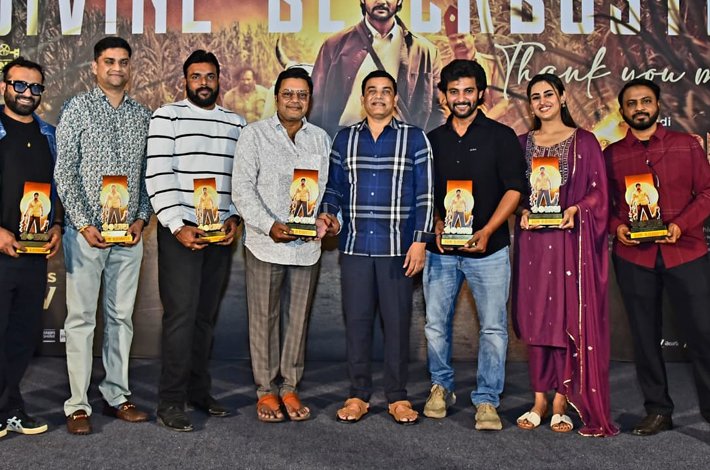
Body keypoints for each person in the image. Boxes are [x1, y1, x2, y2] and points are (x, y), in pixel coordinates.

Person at [319, 70, 433, 425]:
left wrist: (420, 242)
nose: (379, 96)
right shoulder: (345, 139)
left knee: (397, 325)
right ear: (363, 98)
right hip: (355, 247)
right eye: (372, 91)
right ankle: (358, 394)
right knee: (357, 323)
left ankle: (397, 397)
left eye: (386, 91)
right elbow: (334, 188)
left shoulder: (414, 139)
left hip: (398, 249)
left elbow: (426, 195)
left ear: (395, 99)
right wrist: (328, 216)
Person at [54, 37, 152, 435]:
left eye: (123, 62)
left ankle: (117, 394)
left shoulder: (143, 116)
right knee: (80, 319)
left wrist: (141, 219)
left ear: (130, 68)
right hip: (86, 234)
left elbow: (148, 175)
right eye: (109, 61)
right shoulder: (76, 108)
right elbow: (64, 171)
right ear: (95, 66)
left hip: (128, 236)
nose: (117, 68)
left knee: (121, 318)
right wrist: (82, 223)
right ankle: (78, 405)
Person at [512, 73, 619, 436]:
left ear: (561, 97)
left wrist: (576, 209)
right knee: (536, 320)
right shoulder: (522, 143)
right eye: (535, 96)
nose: (542, 101)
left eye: (548, 94)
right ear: (530, 104)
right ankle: (539, 399)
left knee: (562, 318)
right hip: (533, 244)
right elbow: (514, 191)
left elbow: (599, 194)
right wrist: (521, 211)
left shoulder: (584, 141)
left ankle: (561, 400)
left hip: (569, 244)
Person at [422, 60, 525, 430]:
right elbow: (425, 192)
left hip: (490, 250)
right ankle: (441, 386)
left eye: (468, 90)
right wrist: (436, 221)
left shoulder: (502, 136)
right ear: (444, 96)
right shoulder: (432, 140)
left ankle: (487, 399)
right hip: (441, 252)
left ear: (481, 93)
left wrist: (487, 230)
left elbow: (515, 189)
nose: (461, 98)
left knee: (493, 328)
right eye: (454, 91)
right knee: (435, 324)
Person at [146, 50, 245, 432]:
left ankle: (198, 391)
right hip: (182, 232)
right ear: (184, 81)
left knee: (205, 317)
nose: (203, 83)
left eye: (209, 76)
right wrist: (176, 225)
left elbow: (240, 178)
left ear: (219, 79)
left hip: (220, 233)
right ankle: (170, 401)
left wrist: (234, 217)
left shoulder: (236, 123)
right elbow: (157, 174)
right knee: (181, 317)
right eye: (196, 76)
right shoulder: (167, 116)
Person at [605, 78, 710, 436]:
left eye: (645, 101)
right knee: (644, 336)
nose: (639, 108)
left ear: (657, 106)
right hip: (635, 257)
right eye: (632, 103)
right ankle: (658, 409)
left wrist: (681, 225)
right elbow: (605, 205)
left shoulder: (686, 144)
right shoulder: (611, 154)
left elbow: (707, 192)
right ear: (623, 111)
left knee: (703, 331)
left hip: (687, 251)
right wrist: (617, 226)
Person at [233, 67, 331, 423]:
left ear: (310, 100)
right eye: (288, 93)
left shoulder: (320, 139)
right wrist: (268, 225)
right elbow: (241, 190)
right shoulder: (254, 135)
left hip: (306, 247)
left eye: (302, 95)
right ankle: (265, 390)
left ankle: (289, 386)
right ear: (276, 97)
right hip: (265, 243)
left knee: (297, 319)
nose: (295, 100)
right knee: (264, 318)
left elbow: (327, 189)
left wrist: (327, 216)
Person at [0, 57, 62, 438]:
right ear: (3, 87)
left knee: (23, 335)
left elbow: (58, 189)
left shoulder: (48, 135)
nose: (27, 93)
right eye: (19, 85)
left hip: (33, 255)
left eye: (35, 87)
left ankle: (10, 407)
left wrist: (56, 225)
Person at [310, 0, 445, 136]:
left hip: (402, 141)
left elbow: (438, 110)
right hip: (346, 139)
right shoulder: (334, 45)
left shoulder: (425, 51)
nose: (381, 1)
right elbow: (315, 104)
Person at [443, 5, 509, 121]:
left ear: (473, 36)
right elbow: (440, 104)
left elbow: (502, 103)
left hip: (485, 127)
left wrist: (481, 123)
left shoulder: (492, 64)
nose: (458, 42)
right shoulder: (442, 66)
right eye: (453, 38)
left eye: (462, 36)